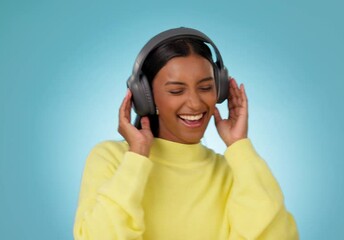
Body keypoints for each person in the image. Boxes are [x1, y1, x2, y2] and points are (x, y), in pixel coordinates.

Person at [73, 27, 299, 239]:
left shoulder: (234, 171)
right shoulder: (113, 159)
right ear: (146, 98)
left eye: (205, 88)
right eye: (176, 90)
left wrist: (240, 146)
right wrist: (137, 157)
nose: (194, 103)